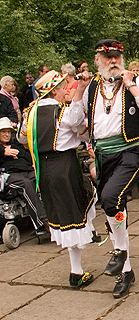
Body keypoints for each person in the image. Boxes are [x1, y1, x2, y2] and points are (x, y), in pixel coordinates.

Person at [71, 39, 139, 298]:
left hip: (131, 151)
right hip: (103, 154)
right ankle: (127, 270)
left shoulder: (137, 81)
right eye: (107, 56)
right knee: (114, 209)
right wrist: (79, 90)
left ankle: (119, 251)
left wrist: (131, 84)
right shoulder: (91, 88)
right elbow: (76, 125)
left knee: (110, 198)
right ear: (97, 59)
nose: (113, 61)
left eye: (116, 57)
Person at [17, 70, 97, 288]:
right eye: (62, 88)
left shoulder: (30, 113)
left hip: (44, 169)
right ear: (53, 91)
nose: (64, 91)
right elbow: (82, 129)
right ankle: (76, 272)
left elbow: (22, 137)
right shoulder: (61, 112)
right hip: (64, 166)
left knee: (65, 215)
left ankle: (85, 246)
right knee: (73, 216)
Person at [0, 117, 48, 235]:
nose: (6, 134)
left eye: (8, 132)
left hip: (26, 171)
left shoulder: (15, 144)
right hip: (8, 175)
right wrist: (3, 151)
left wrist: (16, 151)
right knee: (25, 184)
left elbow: (28, 156)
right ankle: (42, 222)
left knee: (44, 177)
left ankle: (57, 216)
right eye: (3, 132)